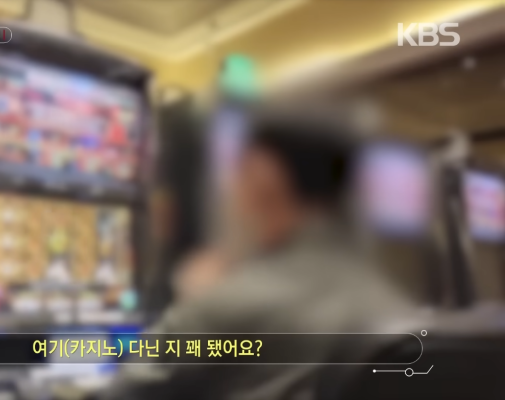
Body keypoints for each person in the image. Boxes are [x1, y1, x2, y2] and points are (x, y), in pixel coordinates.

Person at [98, 112, 413, 400]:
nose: (232, 190)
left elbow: (125, 394)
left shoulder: (230, 306)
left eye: (240, 171)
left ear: (265, 175)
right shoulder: (392, 301)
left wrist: (192, 307)